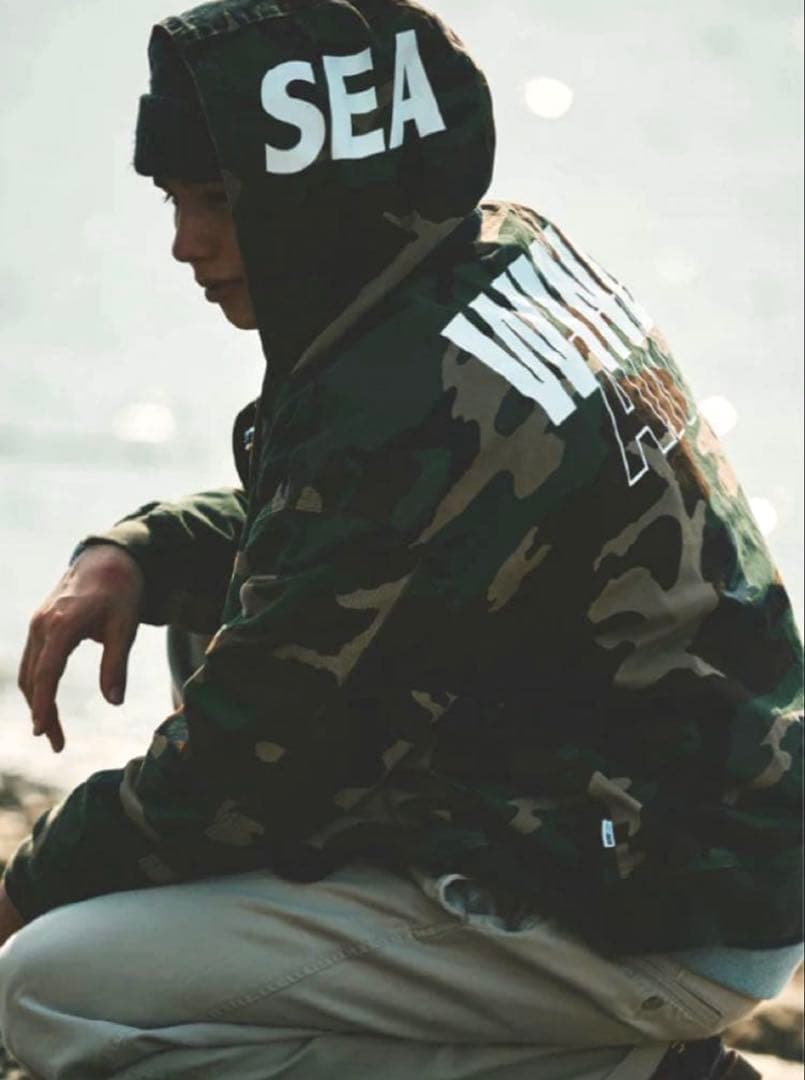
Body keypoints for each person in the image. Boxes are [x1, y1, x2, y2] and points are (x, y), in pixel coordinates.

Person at [0, 1, 802, 1077]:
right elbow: (348, 536)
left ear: (317, 193)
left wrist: (24, 889)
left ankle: (613, 1067)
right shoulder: (483, 255)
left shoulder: (405, 397)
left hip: (660, 910)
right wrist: (140, 552)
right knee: (223, 623)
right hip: (694, 833)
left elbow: (231, 769)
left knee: (48, 985)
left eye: (219, 202)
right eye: (173, 199)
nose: (185, 244)